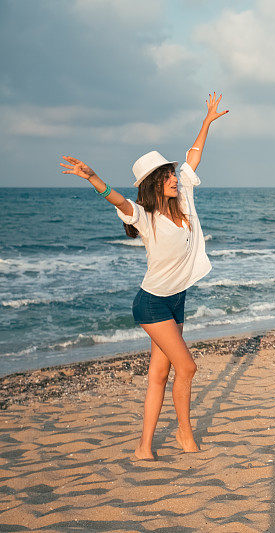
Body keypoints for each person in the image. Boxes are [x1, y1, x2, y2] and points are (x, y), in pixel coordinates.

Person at [60, 92, 229, 460]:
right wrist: (93, 178)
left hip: (176, 297)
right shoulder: (144, 215)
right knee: (188, 366)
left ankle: (143, 448)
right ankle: (185, 435)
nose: (172, 177)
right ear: (153, 184)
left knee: (160, 375)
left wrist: (207, 122)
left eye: (171, 172)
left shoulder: (183, 194)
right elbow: (118, 201)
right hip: (151, 304)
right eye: (166, 175)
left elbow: (193, 157)